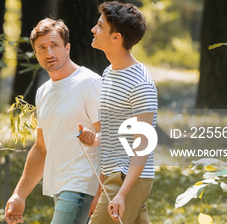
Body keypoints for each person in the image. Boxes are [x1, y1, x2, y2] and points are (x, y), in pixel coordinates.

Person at [3, 18, 102, 224]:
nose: (49, 53)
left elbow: (111, 139)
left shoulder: (89, 83)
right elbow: (41, 148)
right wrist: (19, 195)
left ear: (67, 48)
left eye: (54, 45)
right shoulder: (44, 92)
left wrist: (102, 192)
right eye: (42, 48)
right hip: (60, 186)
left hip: (83, 185)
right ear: (36, 54)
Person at [78, 1, 157, 223]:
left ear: (116, 37)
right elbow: (119, 135)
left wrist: (122, 193)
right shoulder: (109, 73)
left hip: (128, 177)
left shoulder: (141, 84)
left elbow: (143, 145)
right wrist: (94, 139)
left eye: (100, 26)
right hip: (115, 175)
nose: (94, 29)